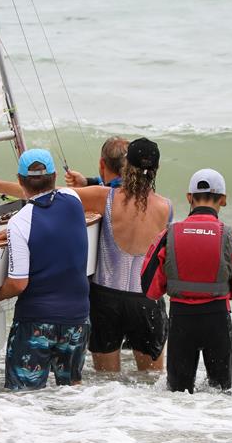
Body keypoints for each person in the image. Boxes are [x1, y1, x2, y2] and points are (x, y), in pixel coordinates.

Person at [0, 149, 90, 390]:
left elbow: (17, 284)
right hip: (77, 319)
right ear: (55, 176)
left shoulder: (20, 222)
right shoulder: (73, 199)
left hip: (37, 321)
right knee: (72, 391)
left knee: (23, 397)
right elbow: (46, 202)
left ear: (19, 179)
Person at [141, 168, 232, 393]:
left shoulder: (168, 235)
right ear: (223, 200)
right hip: (218, 319)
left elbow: (149, 286)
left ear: (189, 197)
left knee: (177, 395)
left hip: (181, 321)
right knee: (220, 394)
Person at [73, 137, 172, 373]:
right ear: (156, 169)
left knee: (106, 384)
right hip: (146, 301)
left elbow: (50, 195)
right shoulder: (165, 207)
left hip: (106, 299)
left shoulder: (104, 197)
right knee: (151, 381)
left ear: (126, 165)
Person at [0, 136, 127, 198]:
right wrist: (87, 181)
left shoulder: (106, 197)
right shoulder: (139, 189)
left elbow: (44, 194)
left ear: (102, 163)